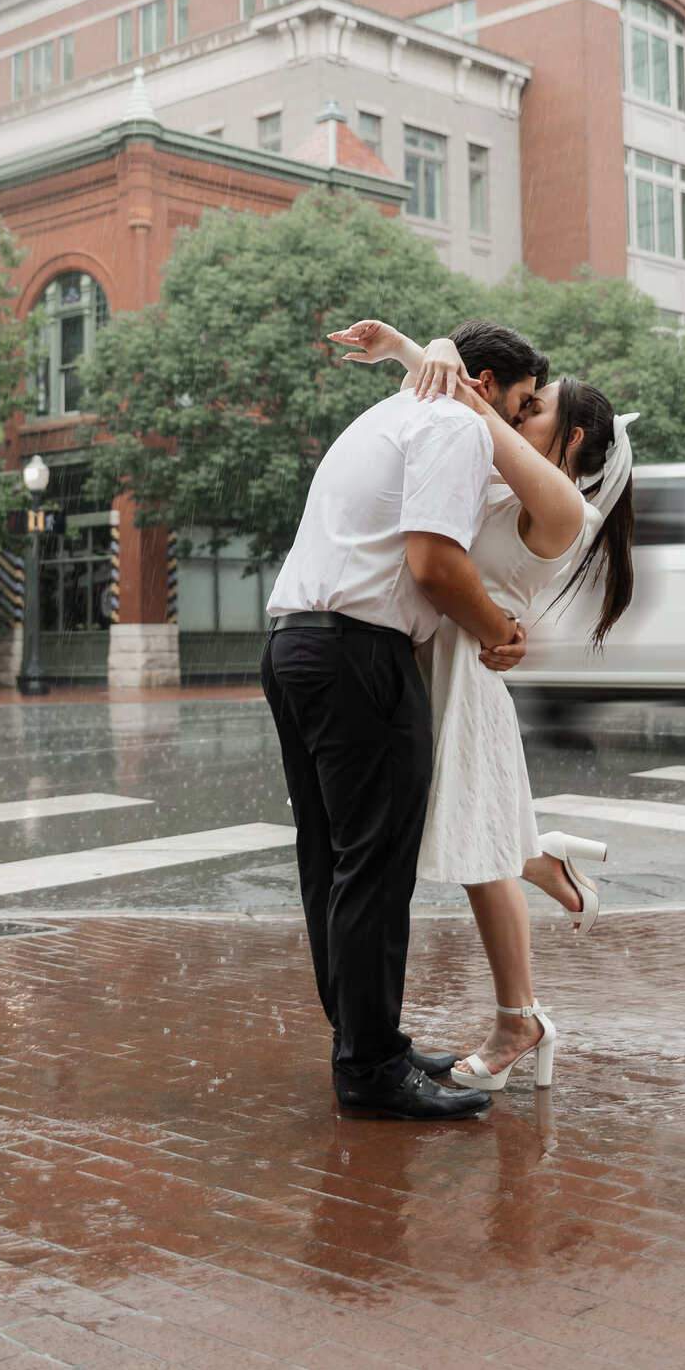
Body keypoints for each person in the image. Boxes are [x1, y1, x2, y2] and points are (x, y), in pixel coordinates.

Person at [329, 320, 636, 1094]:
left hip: (465, 675)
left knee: (476, 854)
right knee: (454, 829)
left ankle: (518, 1019)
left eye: (537, 407)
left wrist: (427, 352)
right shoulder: (499, 468)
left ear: (569, 440)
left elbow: (472, 407)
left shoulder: (565, 509)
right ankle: (542, 858)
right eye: (522, 399)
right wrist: (415, 351)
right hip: (424, 657)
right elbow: (460, 411)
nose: (519, 409)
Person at [261, 321, 549, 1121]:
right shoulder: (456, 423)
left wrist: (407, 347)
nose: (520, 427)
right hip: (359, 657)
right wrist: (502, 632)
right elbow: (433, 562)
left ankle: (366, 1040)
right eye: (522, 405)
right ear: (485, 382)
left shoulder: (384, 417)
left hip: (295, 646)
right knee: (374, 870)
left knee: (331, 860)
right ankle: (369, 1069)